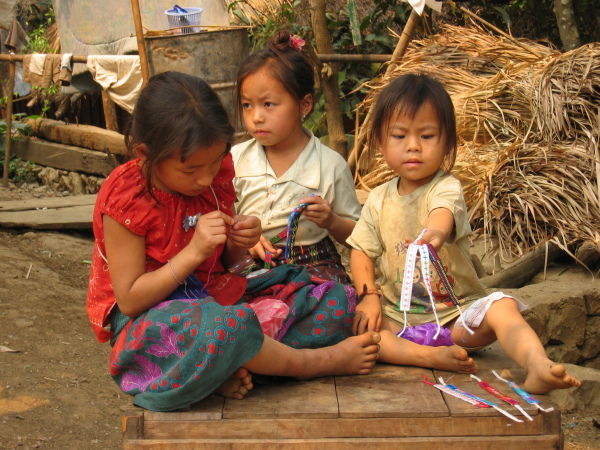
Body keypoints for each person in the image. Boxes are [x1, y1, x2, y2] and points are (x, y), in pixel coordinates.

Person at [86, 71, 380, 412]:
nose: (207, 177)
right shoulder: (128, 197)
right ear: (146, 152)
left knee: (334, 302)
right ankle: (311, 364)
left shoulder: (216, 174)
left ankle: (220, 369)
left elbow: (227, 267)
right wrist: (194, 252)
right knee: (230, 326)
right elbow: (131, 300)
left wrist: (240, 241)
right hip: (153, 326)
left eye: (214, 163)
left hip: (215, 301)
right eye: (191, 169)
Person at [348, 73, 581, 394]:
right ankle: (429, 356)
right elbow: (361, 251)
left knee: (502, 308)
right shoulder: (377, 199)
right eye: (399, 136)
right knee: (362, 331)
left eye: (427, 136)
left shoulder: (446, 187)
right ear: (379, 142)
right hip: (397, 320)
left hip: (457, 318)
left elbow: (443, 213)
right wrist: (368, 297)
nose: (413, 146)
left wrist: (436, 231)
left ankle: (537, 364)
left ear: (447, 143)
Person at [230, 30, 361, 285]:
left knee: (331, 306)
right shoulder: (235, 160)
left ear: (304, 104)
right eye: (247, 105)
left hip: (312, 264)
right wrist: (245, 237)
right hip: (250, 262)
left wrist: (332, 221)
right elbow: (220, 216)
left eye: (268, 104)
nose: (256, 117)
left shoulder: (330, 165)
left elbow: (359, 235)